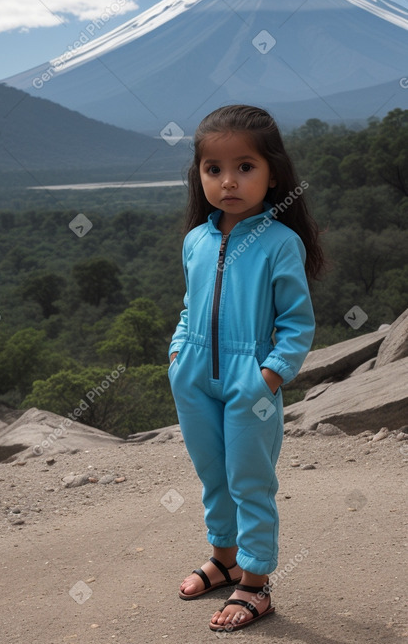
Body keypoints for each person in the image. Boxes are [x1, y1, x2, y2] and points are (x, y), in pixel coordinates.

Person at [168, 105, 324, 633]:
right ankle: (224, 559)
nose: (228, 181)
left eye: (244, 167)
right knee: (213, 475)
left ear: (272, 173)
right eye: (214, 169)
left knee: (250, 480)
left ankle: (255, 583)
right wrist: (175, 353)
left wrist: (271, 375)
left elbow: (298, 323)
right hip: (193, 375)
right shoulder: (195, 239)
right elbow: (190, 305)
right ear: (200, 175)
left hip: (251, 377)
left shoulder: (280, 243)